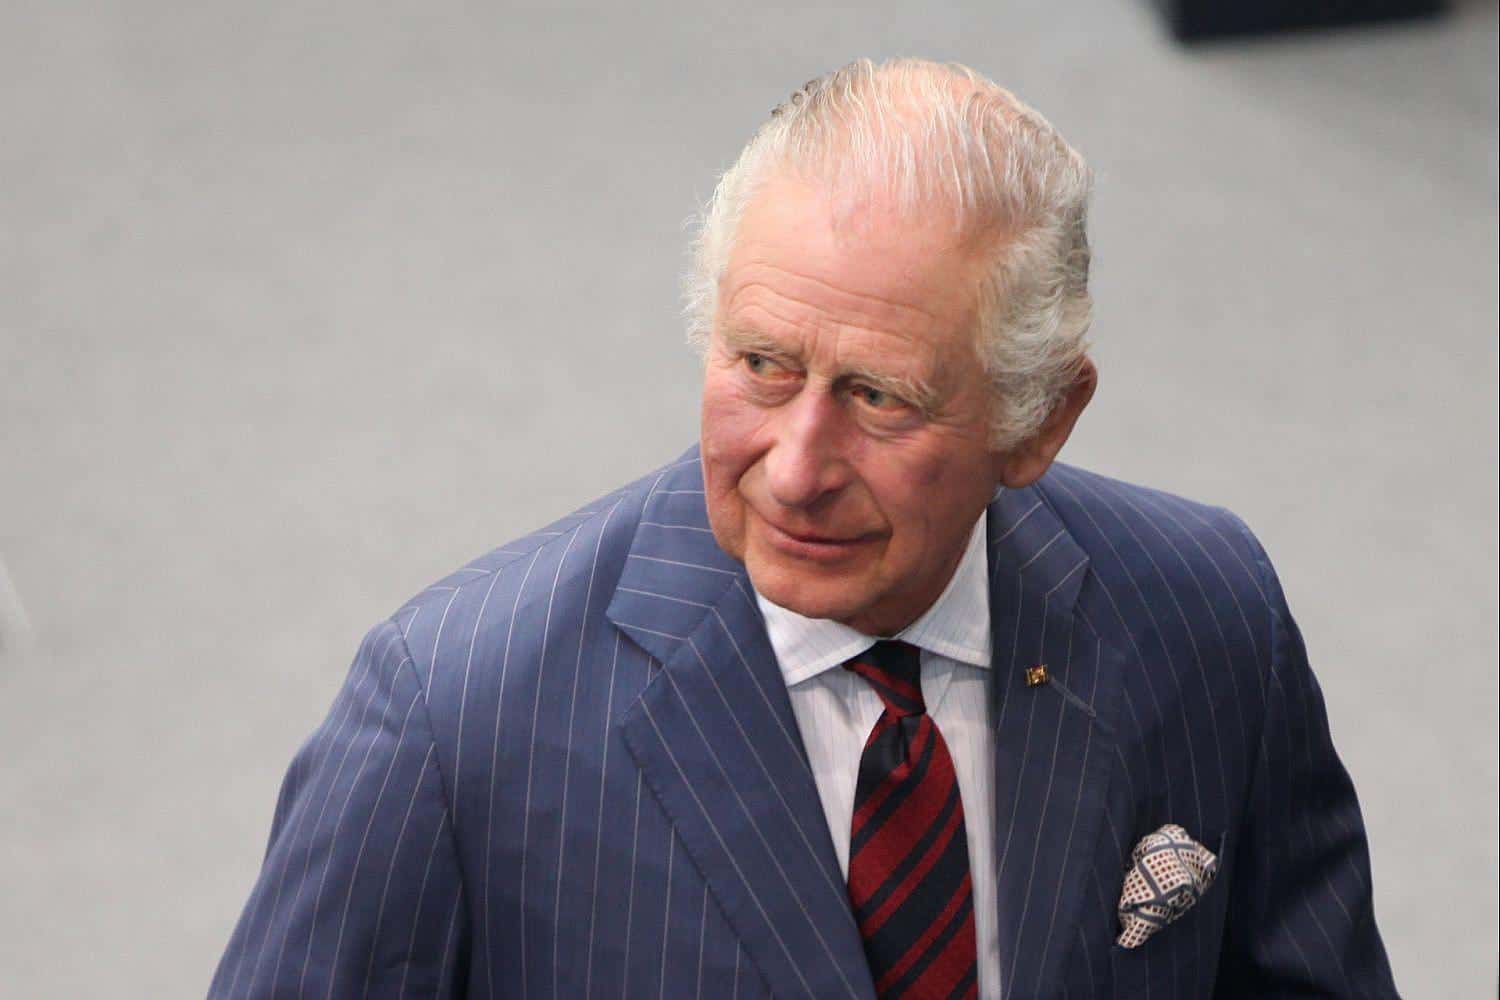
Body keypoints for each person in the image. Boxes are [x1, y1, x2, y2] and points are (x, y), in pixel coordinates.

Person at [210, 58, 1398, 998]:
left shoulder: (1207, 614)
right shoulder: (453, 715)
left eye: (879, 397)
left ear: (1040, 421)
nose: (795, 470)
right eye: (763, 365)